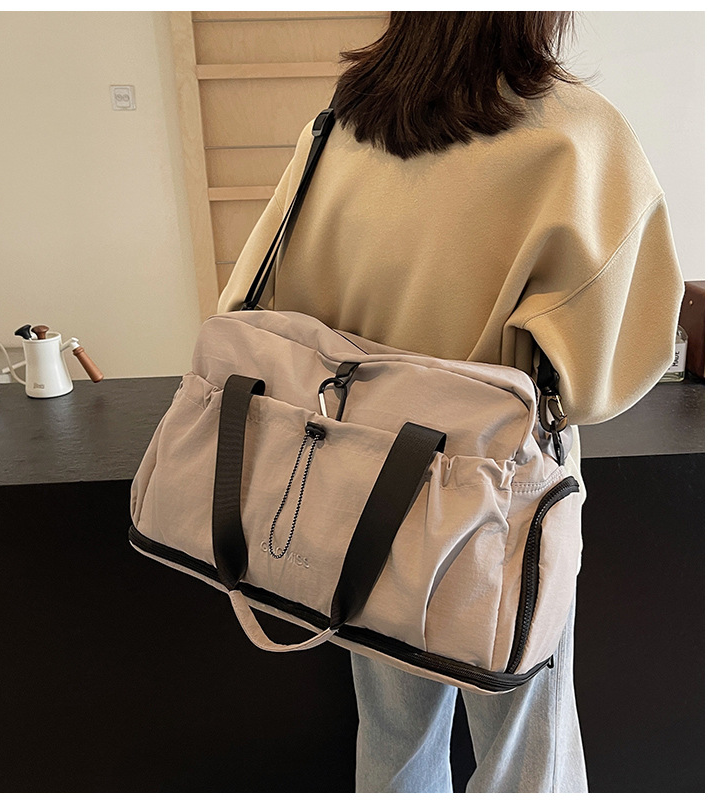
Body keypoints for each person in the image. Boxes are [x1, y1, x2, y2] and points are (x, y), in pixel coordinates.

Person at [217, 11, 684, 793]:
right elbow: (611, 368)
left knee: (393, 732)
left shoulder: (344, 125)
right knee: (523, 745)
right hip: (498, 495)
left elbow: (252, 301)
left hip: (357, 480)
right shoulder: (577, 136)